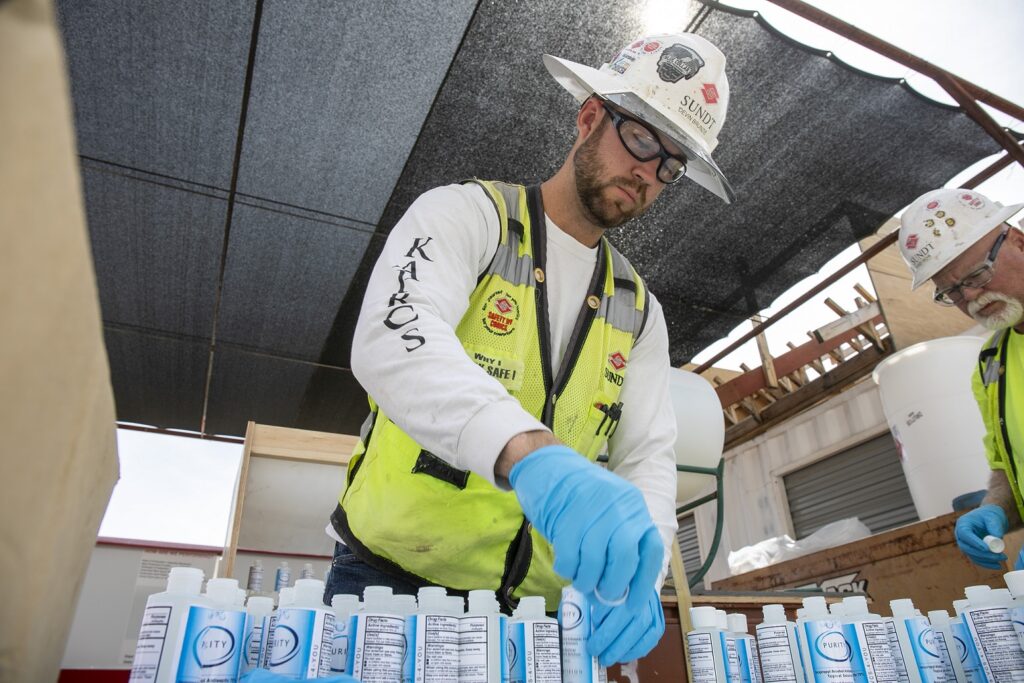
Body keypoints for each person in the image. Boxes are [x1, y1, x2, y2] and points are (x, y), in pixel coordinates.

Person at [324, 32, 734, 666]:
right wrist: (532, 456)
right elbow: (393, 337)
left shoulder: (638, 308)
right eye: (643, 138)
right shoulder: (469, 217)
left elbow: (647, 456)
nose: (649, 173)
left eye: (671, 165)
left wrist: (639, 578)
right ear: (590, 116)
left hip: (537, 621)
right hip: (390, 589)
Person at [897, 188, 1024, 570]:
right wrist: (996, 509)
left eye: (978, 274)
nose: (971, 296)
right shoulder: (992, 364)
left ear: (1018, 242)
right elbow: (1009, 466)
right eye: (951, 291)